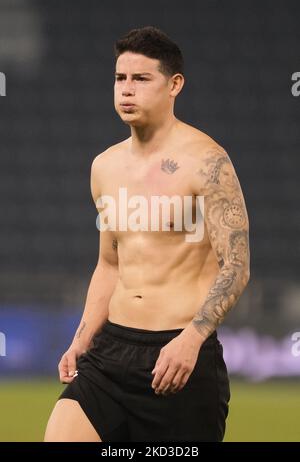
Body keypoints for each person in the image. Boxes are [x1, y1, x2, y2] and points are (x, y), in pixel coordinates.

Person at [44, 26, 250, 442]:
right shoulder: (104, 166)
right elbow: (109, 264)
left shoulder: (207, 162)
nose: (127, 90)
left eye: (141, 79)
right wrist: (81, 339)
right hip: (110, 353)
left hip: (178, 357)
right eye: (120, 78)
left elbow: (237, 266)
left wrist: (191, 340)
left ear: (174, 85)